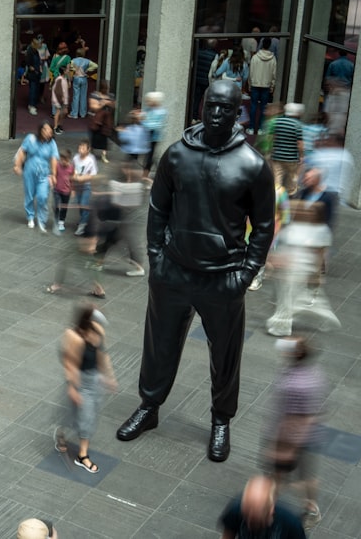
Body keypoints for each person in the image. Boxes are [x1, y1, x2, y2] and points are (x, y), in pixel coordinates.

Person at [116, 80, 275, 462]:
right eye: (211, 106)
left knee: (225, 356)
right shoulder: (175, 156)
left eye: (226, 108)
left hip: (223, 278)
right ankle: (149, 407)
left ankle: (221, 420)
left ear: (238, 112)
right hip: (174, 272)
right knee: (159, 346)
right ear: (201, 107)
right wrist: (157, 258)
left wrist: (245, 274)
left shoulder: (253, 166)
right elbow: (158, 211)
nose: (217, 114)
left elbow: (265, 227)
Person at [265, 337, 327, 530]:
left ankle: (269, 510)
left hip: (293, 438)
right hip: (300, 435)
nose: (283, 352)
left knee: (283, 475)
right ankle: (307, 507)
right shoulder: (310, 372)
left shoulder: (298, 384)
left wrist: (286, 447)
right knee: (301, 474)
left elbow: (301, 418)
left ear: (296, 354)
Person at [54, 302, 117, 473]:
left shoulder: (97, 331)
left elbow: (102, 355)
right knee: (72, 415)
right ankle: (62, 434)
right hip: (79, 380)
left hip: (94, 379)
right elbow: (70, 363)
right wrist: (72, 387)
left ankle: (82, 454)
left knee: (89, 416)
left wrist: (108, 377)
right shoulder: (74, 336)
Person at [219, 475, 306, 539]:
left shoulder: (291, 523)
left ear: (271, 510)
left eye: (256, 521)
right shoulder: (235, 511)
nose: (248, 525)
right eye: (245, 515)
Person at [14, 122, 58, 233]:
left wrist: (53, 174)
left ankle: (41, 218)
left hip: (44, 173)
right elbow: (22, 152)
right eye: (45, 129)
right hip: (29, 172)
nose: (48, 132)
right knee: (29, 195)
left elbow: (54, 159)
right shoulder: (31, 139)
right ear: (40, 130)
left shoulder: (52, 143)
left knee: (42, 196)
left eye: (49, 130)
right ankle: (30, 216)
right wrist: (17, 166)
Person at [271, 103, 305, 197]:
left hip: (277, 156)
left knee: (277, 179)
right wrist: (302, 155)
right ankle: (290, 197)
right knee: (291, 179)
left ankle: (276, 198)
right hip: (291, 158)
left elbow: (272, 137)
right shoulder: (298, 124)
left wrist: (272, 149)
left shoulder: (277, 121)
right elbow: (300, 143)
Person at [248, 40, 277, 133]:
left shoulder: (255, 57)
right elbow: (274, 74)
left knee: (253, 106)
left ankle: (251, 127)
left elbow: (251, 72)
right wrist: (272, 86)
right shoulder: (273, 59)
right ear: (269, 46)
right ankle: (261, 128)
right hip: (266, 85)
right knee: (264, 107)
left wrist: (249, 84)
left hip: (255, 84)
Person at [71, 139, 98, 236]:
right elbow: (72, 170)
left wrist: (83, 178)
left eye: (83, 148)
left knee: (83, 204)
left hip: (86, 186)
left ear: (88, 149)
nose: (80, 149)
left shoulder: (91, 159)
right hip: (78, 186)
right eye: (79, 147)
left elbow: (93, 174)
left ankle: (82, 225)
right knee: (80, 204)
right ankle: (84, 219)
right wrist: (73, 186)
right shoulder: (75, 158)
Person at [140, 91, 167, 177]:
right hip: (147, 136)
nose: (148, 103)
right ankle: (160, 171)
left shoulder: (161, 112)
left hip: (154, 137)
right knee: (151, 156)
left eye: (149, 101)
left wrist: (145, 123)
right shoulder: (148, 110)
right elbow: (143, 120)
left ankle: (145, 174)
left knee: (150, 156)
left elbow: (158, 125)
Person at [89, 80, 116, 163]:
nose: (106, 90)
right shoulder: (94, 95)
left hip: (106, 121)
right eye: (105, 88)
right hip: (97, 120)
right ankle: (91, 151)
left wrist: (109, 103)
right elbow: (93, 107)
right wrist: (103, 104)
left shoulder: (110, 96)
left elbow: (114, 105)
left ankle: (104, 154)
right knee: (95, 136)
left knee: (105, 136)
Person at [69, 43, 98, 119]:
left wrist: (74, 69)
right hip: (84, 78)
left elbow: (69, 67)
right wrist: (88, 70)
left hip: (76, 78)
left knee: (76, 96)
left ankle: (74, 113)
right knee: (83, 96)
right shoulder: (87, 61)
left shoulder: (73, 60)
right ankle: (83, 113)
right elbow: (96, 66)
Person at [52, 149, 73, 234]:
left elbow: (73, 179)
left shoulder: (71, 168)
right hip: (57, 190)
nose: (63, 162)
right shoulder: (57, 165)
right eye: (61, 159)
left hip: (66, 191)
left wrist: (73, 189)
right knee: (56, 205)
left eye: (65, 160)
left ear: (69, 160)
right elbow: (54, 174)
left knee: (64, 207)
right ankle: (56, 219)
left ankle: (61, 221)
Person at [50, 64, 70, 134]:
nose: (68, 71)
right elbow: (57, 90)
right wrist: (61, 99)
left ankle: (58, 125)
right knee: (58, 112)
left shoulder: (63, 79)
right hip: (59, 100)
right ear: (64, 71)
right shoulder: (60, 79)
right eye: (66, 70)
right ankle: (55, 127)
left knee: (64, 112)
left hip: (62, 100)